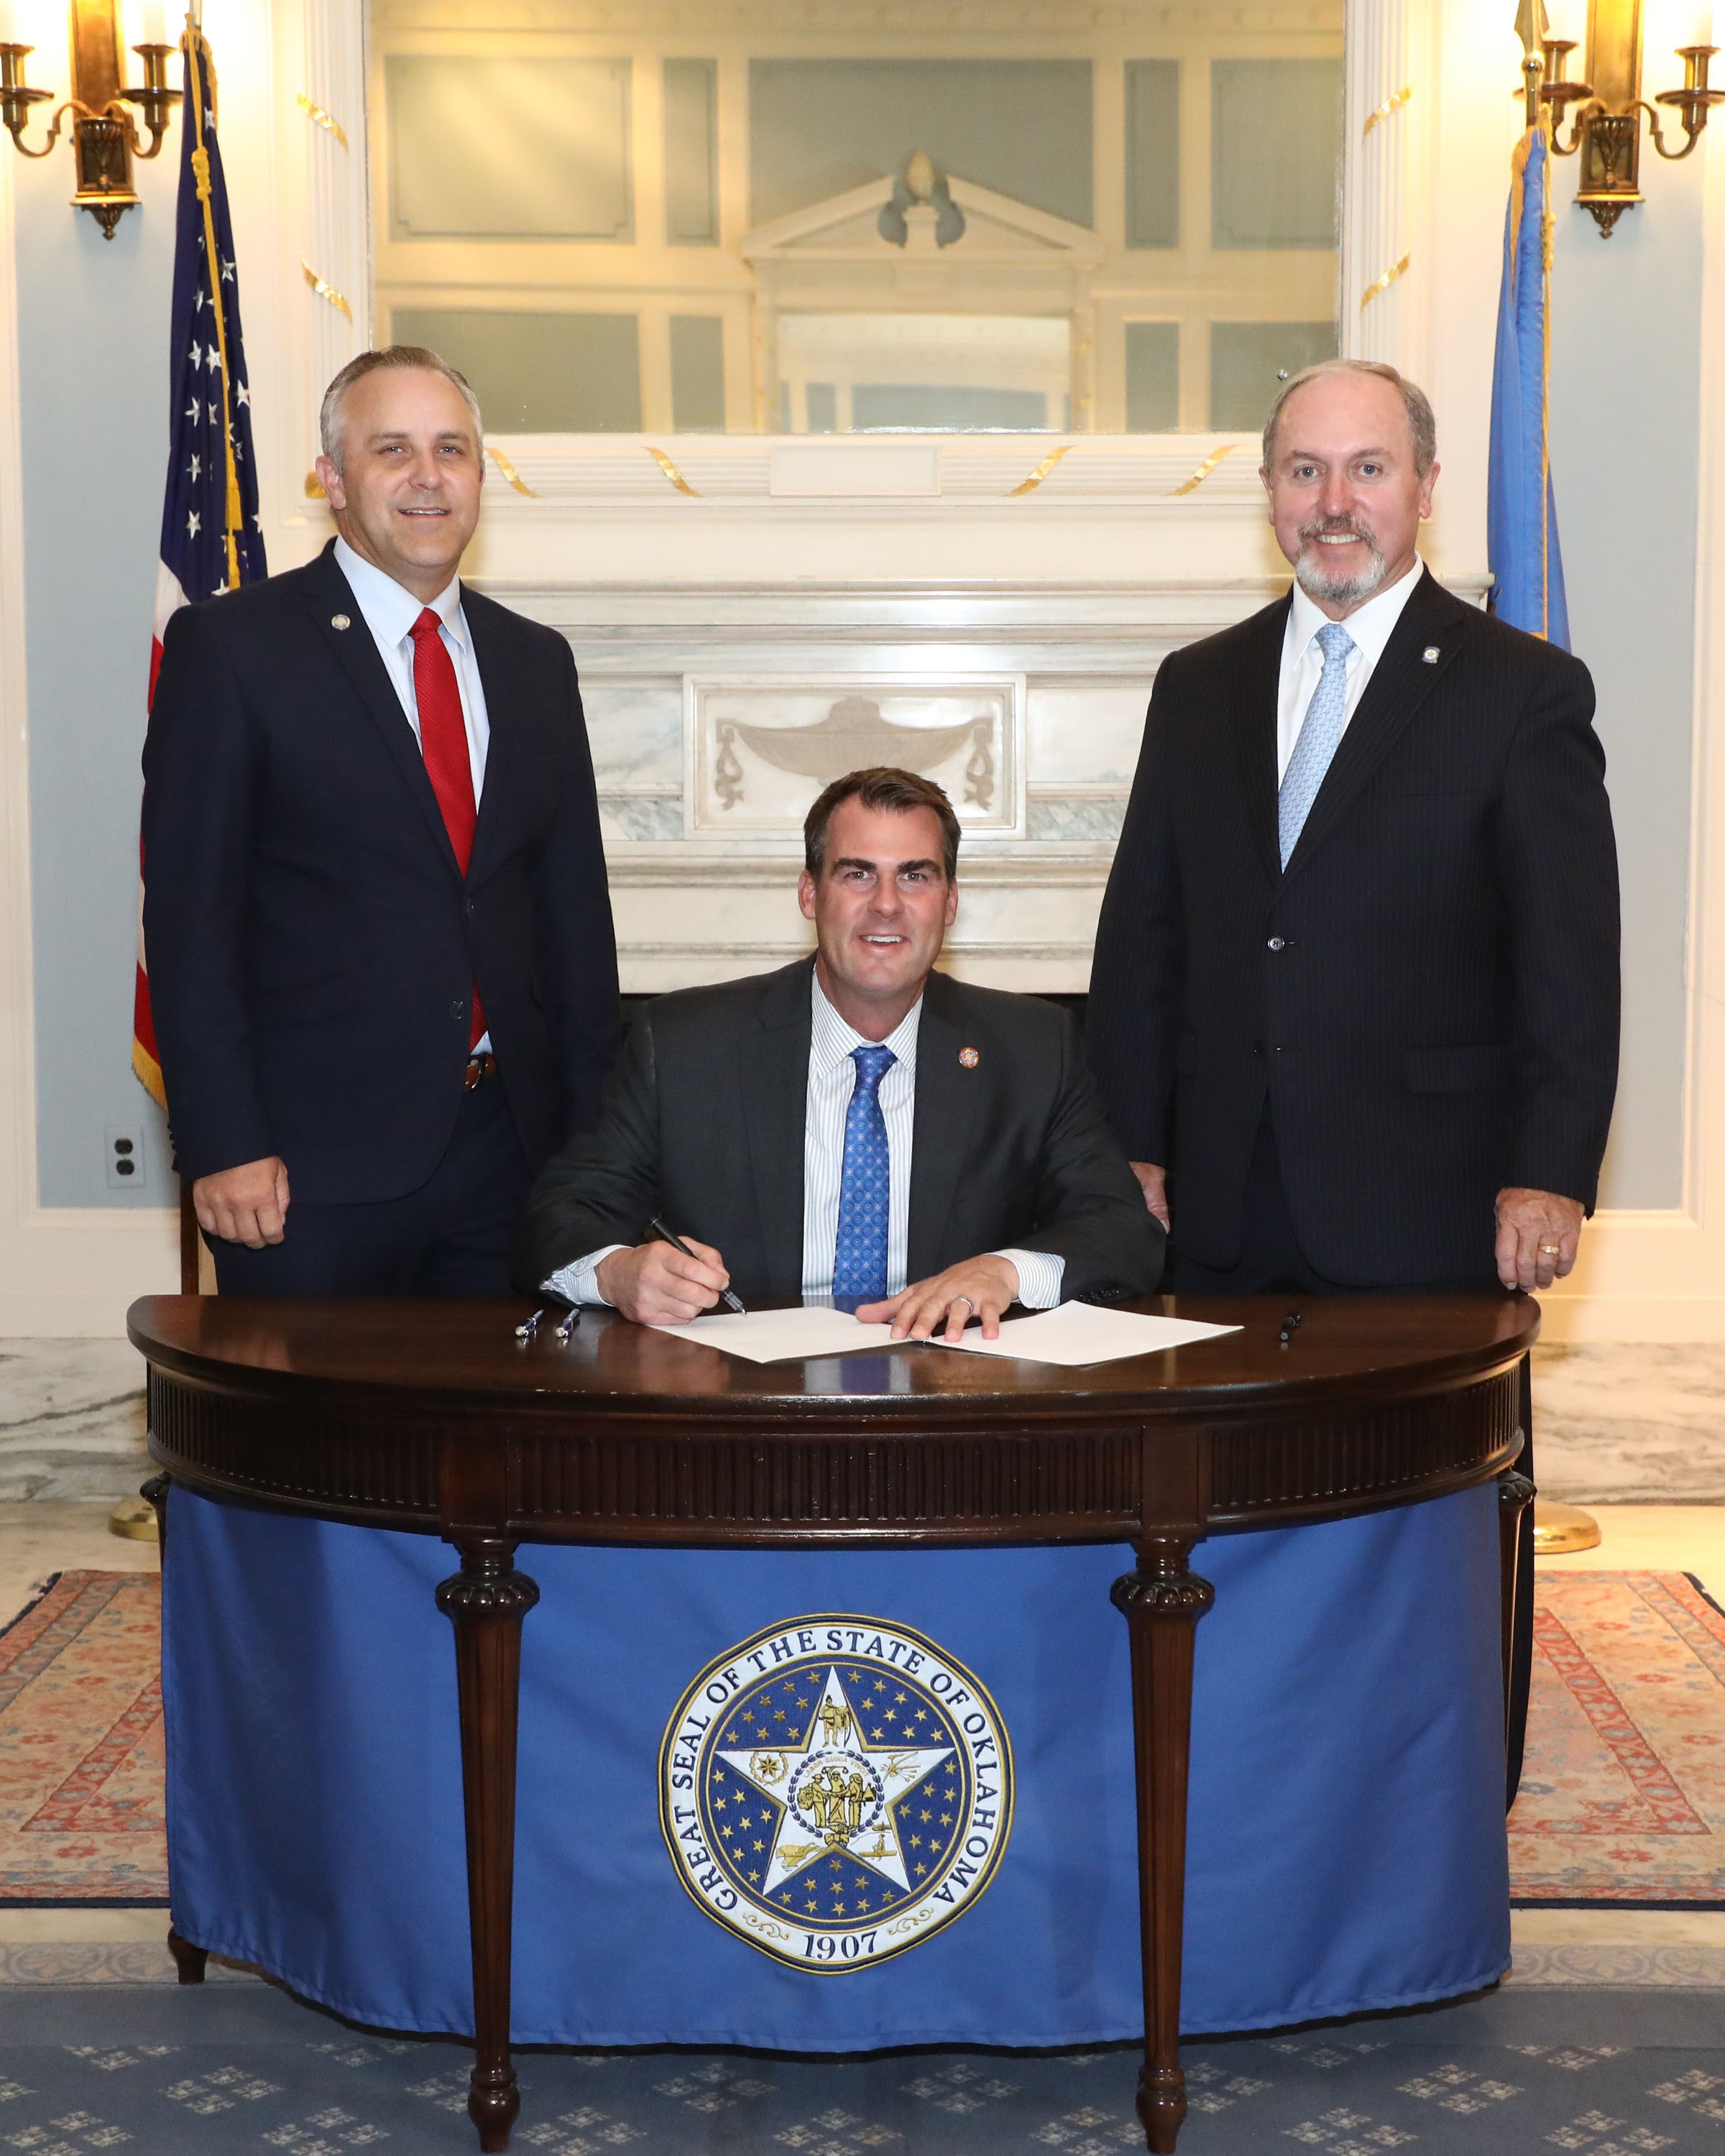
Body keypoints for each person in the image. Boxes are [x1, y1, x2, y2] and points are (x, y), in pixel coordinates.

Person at [1086, 357, 1619, 1791]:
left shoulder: (1522, 691)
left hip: (1428, 1206)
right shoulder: (1198, 686)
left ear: (1425, 488)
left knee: (1419, 1545)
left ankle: (1438, 1793)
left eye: (1367, 469)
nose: (1335, 502)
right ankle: (1238, 1786)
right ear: (1268, 492)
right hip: (1224, 1205)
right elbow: (1143, 933)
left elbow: (1570, 958)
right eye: (1305, 471)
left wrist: (1551, 1167)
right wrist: (1130, 1147)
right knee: (1221, 1533)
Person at [142, 346, 617, 1294]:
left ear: (480, 475)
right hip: (303, 1176)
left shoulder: (536, 663)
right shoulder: (233, 649)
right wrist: (223, 1142)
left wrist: (599, 1157)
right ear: (332, 479)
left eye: (452, 449)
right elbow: (191, 924)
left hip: (513, 1163)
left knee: (509, 1401)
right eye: (392, 449)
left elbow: (574, 927)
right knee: (299, 1403)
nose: (428, 476)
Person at [518, 767, 1162, 1335]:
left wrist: (1004, 1272)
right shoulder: (685, 1044)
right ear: (810, 893)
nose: (886, 905)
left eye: (915, 876)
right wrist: (619, 1273)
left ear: (950, 903)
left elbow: (1124, 1229)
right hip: (743, 1396)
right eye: (857, 874)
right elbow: (557, 1216)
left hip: (954, 1390)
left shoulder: (1032, 1049)